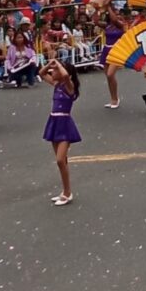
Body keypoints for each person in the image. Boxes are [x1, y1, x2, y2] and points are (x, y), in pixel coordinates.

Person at [39, 59, 81, 206]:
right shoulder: (57, 85)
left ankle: (68, 193)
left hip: (64, 123)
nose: (53, 72)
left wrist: (58, 65)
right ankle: (65, 191)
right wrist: (50, 65)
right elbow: (41, 73)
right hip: (54, 122)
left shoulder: (69, 87)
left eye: (56, 70)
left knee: (60, 160)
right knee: (62, 162)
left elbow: (64, 76)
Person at [98, 8, 126, 108]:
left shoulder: (121, 27)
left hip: (116, 51)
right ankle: (114, 98)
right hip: (106, 50)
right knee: (109, 77)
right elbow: (96, 21)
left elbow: (114, 20)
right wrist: (97, 8)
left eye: (119, 17)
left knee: (110, 75)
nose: (117, 18)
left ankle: (115, 99)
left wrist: (108, 6)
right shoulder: (108, 26)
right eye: (116, 16)